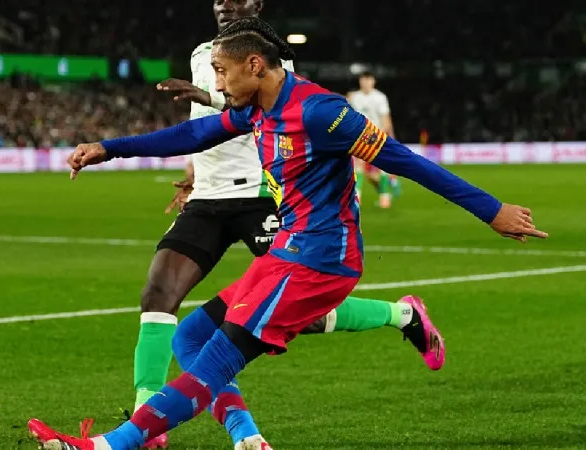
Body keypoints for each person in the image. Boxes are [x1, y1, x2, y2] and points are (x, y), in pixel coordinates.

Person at [29, 17, 546, 450]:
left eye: (222, 71)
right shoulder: (256, 109)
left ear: (255, 65)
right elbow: (195, 132)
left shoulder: (322, 113)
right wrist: (110, 148)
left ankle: (107, 446)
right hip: (286, 253)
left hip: (321, 261)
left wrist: (492, 210)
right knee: (190, 337)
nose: (218, 85)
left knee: (217, 358)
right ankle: (248, 437)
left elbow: (404, 161)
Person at [132, 2, 442, 448]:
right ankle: (154, 416)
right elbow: (202, 129)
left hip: (260, 192)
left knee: (298, 314)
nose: (226, 4)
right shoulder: (203, 53)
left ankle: (402, 314)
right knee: (158, 294)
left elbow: (255, 113)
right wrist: (195, 172)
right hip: (208, 197)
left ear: (255, 7)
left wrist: (209, 98)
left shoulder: (269, 55)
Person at [347, 71, 400, 208]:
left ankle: (384, 197)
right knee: (359, 166)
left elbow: (385, 119)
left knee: (379, 166)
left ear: (373, 81)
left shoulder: (380, 97)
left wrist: (383, 135)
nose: (365, 82)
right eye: (363, 79)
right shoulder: (354, 97)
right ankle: (358, 197)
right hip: (359, 135)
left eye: (368, 79)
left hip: (376, 135)